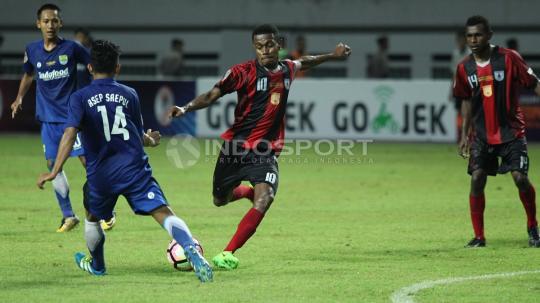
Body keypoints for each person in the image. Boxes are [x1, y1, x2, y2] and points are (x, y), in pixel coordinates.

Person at [167, 24, 351, 269]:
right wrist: (185, 108)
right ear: (254, 47)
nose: (264, 50)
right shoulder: (241, 72)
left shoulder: (287, 69)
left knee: (266, 198)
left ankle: (227, 252)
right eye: (259, 46)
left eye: (269, 44)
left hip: (265, 150)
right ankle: (247, 192)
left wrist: (332, 55)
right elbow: (212, 95)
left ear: (279, 44)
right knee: (220, 199)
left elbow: (305, 61)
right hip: (235, 148)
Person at [36, 40, 213, 282]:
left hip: (101, 174)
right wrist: (150, 141)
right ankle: (191, 250)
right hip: (134, 168)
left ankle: (97, 266)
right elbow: (136, 135)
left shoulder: (79, 98)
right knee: (163, 211)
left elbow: (69, 134)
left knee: (91, 216)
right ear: (118, 68)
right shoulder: (130, 94)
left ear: (89, 68)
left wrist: (55, 169)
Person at [9, 4, 114, 233]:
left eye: (54, 21)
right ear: (38, 24)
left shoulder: (72, 48)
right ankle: (68, 215)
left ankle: (106, 211)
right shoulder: (32, 50)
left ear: (60, 24)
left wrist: (97, 90)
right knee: (52, 165)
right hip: (48, 120)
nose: (50, 25)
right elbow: (28, 74)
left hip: (72, 118)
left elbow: (93, 67)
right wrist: (18, 98)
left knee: (88, 163)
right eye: (46, 21)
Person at [454, 15, 540, 248]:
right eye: (469, 35)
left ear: (489, 35)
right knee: (477, 178)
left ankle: (533, 227)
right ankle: (479, 236)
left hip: (511, 131)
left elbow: (534, 83)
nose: (473, 39)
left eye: (478, 34)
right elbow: (466, 101)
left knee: (520, 178)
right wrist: (463, 136)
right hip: (481, 136)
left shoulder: (509, 58)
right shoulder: (464, 68)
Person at [450, 30, 471, 142]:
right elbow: (454, 73)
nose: (459, 42)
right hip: (459, 87)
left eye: (461, 40)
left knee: (469, 112)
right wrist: (451, 90)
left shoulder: (469, 53)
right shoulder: (456, 54)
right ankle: (460, 135)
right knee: (459, 111)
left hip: (469, 87)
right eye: (457, 40)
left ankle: (469, 136)